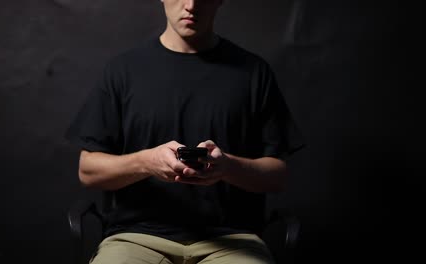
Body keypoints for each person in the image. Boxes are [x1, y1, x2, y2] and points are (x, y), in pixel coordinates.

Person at [65, 0, 305, 263]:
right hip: (136, 238)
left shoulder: (254, 73)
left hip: (233, 241)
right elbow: (88, 171)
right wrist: (147, 162)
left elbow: (277, 177)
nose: (191, 5)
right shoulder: (122, 71)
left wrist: (226, 167)